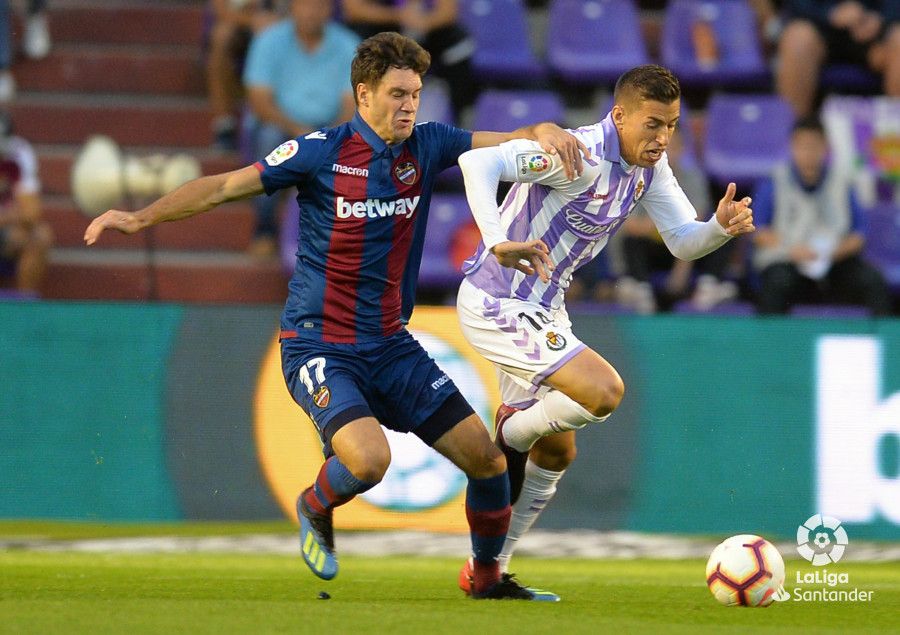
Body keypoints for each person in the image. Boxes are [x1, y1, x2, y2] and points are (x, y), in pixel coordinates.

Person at [84, 32, 587, 600]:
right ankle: (316, 503)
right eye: (397, 93)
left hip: (391, 344)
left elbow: (509, 142)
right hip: (319, 343)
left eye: (416, 94)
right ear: (363, 94)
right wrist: (139, 218)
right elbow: (226, 185)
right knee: (371, 462)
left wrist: (542, 130)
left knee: (489, 462)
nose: (409, 106)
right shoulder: (318, 151)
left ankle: (488, 580)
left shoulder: (431, 144)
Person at [453, 65, 755, 596]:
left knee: (557, 452)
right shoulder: (577, 155)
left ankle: (488, 574)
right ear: (619, 115)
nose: (662, 138)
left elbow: (682, 240)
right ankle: (509, 430)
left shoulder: (647, 168)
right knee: (603, 391)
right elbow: (476, 162)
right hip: (497, 299)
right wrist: (497, 238)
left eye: (672, 126)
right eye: (653, 124)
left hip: (544, 307)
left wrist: (718, 228)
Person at [242, 0, 360, 257]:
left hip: (329, 127)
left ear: (330, 10)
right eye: (305, 4)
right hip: (281, 124)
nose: (312, 11)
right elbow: (259, 100)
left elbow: (351, 105)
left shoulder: (348, 44)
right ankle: (265, 229)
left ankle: (332, 238)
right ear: (292, 7)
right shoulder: (269, 41)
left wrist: (324, 136)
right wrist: (298, 130)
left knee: (353, 145)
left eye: (320, 5)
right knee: (269, 140)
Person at [752, 115, 891, 315]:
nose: (808, 153)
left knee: (872, 281)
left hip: (834, 261)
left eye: (814, 146)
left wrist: (832, 253)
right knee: (776, 283)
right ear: (792, 147)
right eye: (803, 146)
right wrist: (792, 250)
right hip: (789, 260)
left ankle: (885, 344)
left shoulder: (842, 182)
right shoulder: (774, 182)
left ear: (825, 148)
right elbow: (758, 231)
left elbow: (859, 233)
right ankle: (768, 344)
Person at [616, 131, 738, 313]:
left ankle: (709, 284)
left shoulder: (694, 178)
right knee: (631, 242)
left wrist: (681, 271)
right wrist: (667, 223)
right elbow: (631, 225)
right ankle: (642, 289)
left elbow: (694, 223)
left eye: (670, 147)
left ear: (681, 149)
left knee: (726, 232)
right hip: (658, 247)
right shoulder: (638, 178)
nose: (665, 153)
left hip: (691, 249)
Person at [341, 0, 476, 117]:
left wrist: (421, 23)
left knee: (458, 45)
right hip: (381, 31)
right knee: (359, 46)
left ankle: (463, 113)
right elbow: (354, 10)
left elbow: (447, 12)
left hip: (426, 31)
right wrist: (399, 15)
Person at [776, 0, 900, 117]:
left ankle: (895, 129)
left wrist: (880, 19)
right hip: (821, 32)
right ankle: (794, 129)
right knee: (798, 38)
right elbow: (796, 5)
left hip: (875, 36)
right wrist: (831, 13)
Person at [205, 0, 280, 150]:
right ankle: (224, 124)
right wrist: (253, 20)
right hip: (243, 26)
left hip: (283, 23)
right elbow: (222, 11)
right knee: (222, 35)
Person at [0, 111, 52, 294]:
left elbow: (31, 212)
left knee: (40, 236)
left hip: (7, 231)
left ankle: (24, 307)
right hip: (8, 222)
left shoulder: (18, 154)